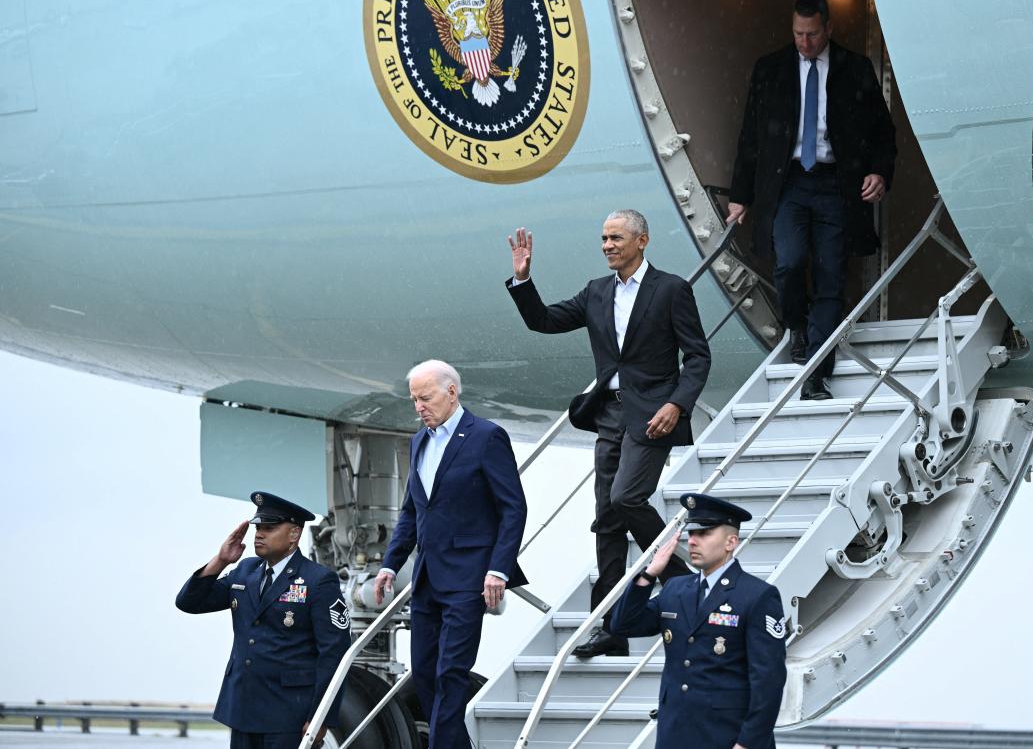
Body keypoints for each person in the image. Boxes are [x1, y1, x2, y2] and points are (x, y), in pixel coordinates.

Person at [505, 209, 711, 657]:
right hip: (608, 416)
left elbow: (697, 357)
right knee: (607, 521)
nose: (607, 245)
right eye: (603, 238)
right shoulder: (596, 292)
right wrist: (523, 280)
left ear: (642, 240)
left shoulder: (671, 289)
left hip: (653, 415)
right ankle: (611, 628)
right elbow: (543, 320)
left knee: (626, 499)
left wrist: (677, 404)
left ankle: (678, 574)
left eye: (616, 237)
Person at [728, 0, 896, 401]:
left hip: (836, 185)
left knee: (830, 279)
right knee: (788, 264)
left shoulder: (854, 69)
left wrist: (879, 172)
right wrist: (740, 195)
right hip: (789, 184)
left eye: (812, 35)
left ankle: (816, 372)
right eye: (798, 34)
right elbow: (750, 137)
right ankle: (798, 326)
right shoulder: (771, 69)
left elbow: (882, 131)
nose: (804, 42)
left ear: (829, 29)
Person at [373, 359, 527, 748]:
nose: (419, 407)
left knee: (451, 672)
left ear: (451, 392)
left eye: (425, 398)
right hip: (427, 577)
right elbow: (413, 511)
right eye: (414, 400)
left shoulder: (486, 437)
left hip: (469, 577)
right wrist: (391, 564)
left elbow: (514, 508)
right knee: (424, 673)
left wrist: (499, 569)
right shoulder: (418, 441)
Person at [176, 491, 350, 749]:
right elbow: (189, 603)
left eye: (269, 528)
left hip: (289, 714)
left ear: (294, 534)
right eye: (258, 527)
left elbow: (334, 654)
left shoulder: (318, 580)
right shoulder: (246, 571)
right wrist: (221, 560)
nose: (259, 534)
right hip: (243, 708)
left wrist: (319, 717)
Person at [612, 493, 786, 749]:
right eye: (691, 533)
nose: (692, 541)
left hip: (728, 737)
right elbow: (622, 625)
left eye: (704, 534)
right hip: (675, 734)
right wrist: (649, 575)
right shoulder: (675, 588)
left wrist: (749, 742)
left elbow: (768, 679)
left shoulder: (757, 595)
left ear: (731, 542)